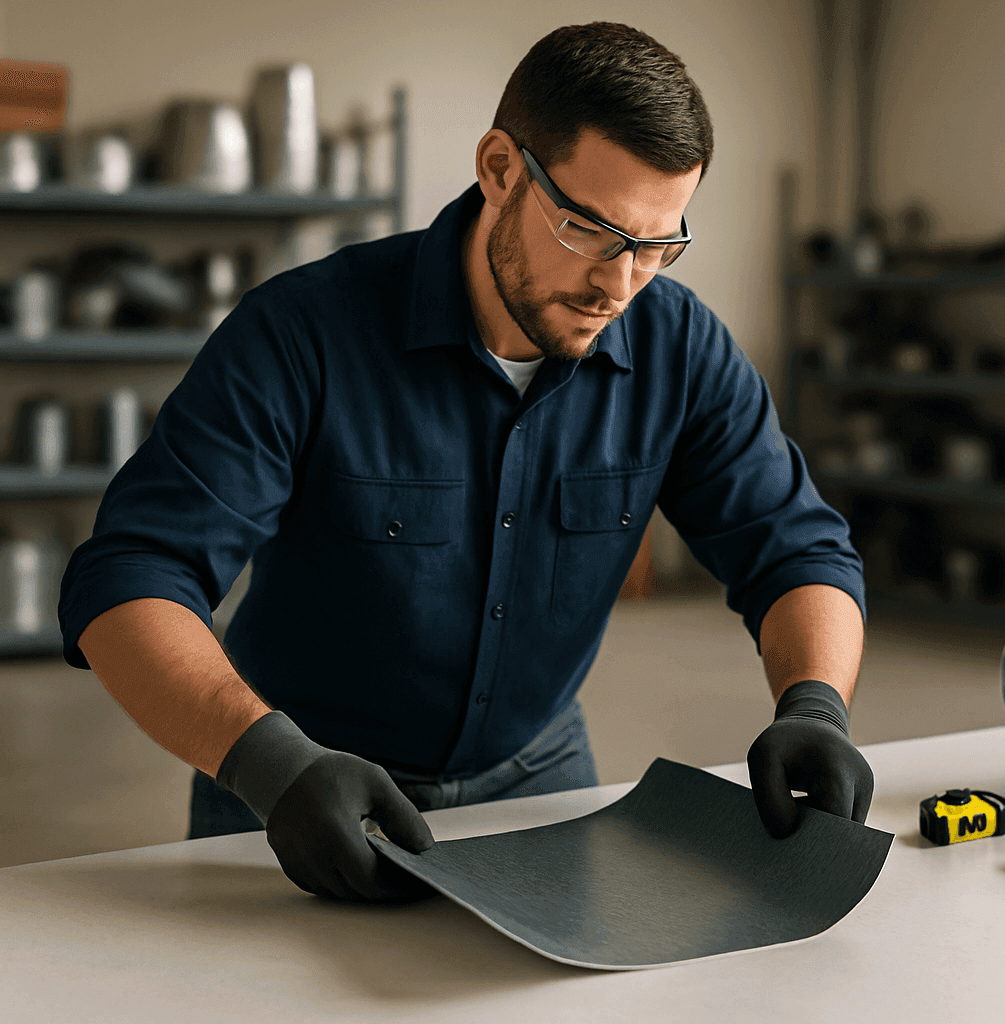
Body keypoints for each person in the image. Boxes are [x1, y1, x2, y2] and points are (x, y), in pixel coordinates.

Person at [59, 22, 871, 903]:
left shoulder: (680, 349)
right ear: (499, 169)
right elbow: (129, 579)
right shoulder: (303, 335)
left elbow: (796, 549)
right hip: (294, 780)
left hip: (539, 774)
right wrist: (269, 762)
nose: (621, 284)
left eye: (657, 246)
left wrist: (816, 707)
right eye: (593, 231)